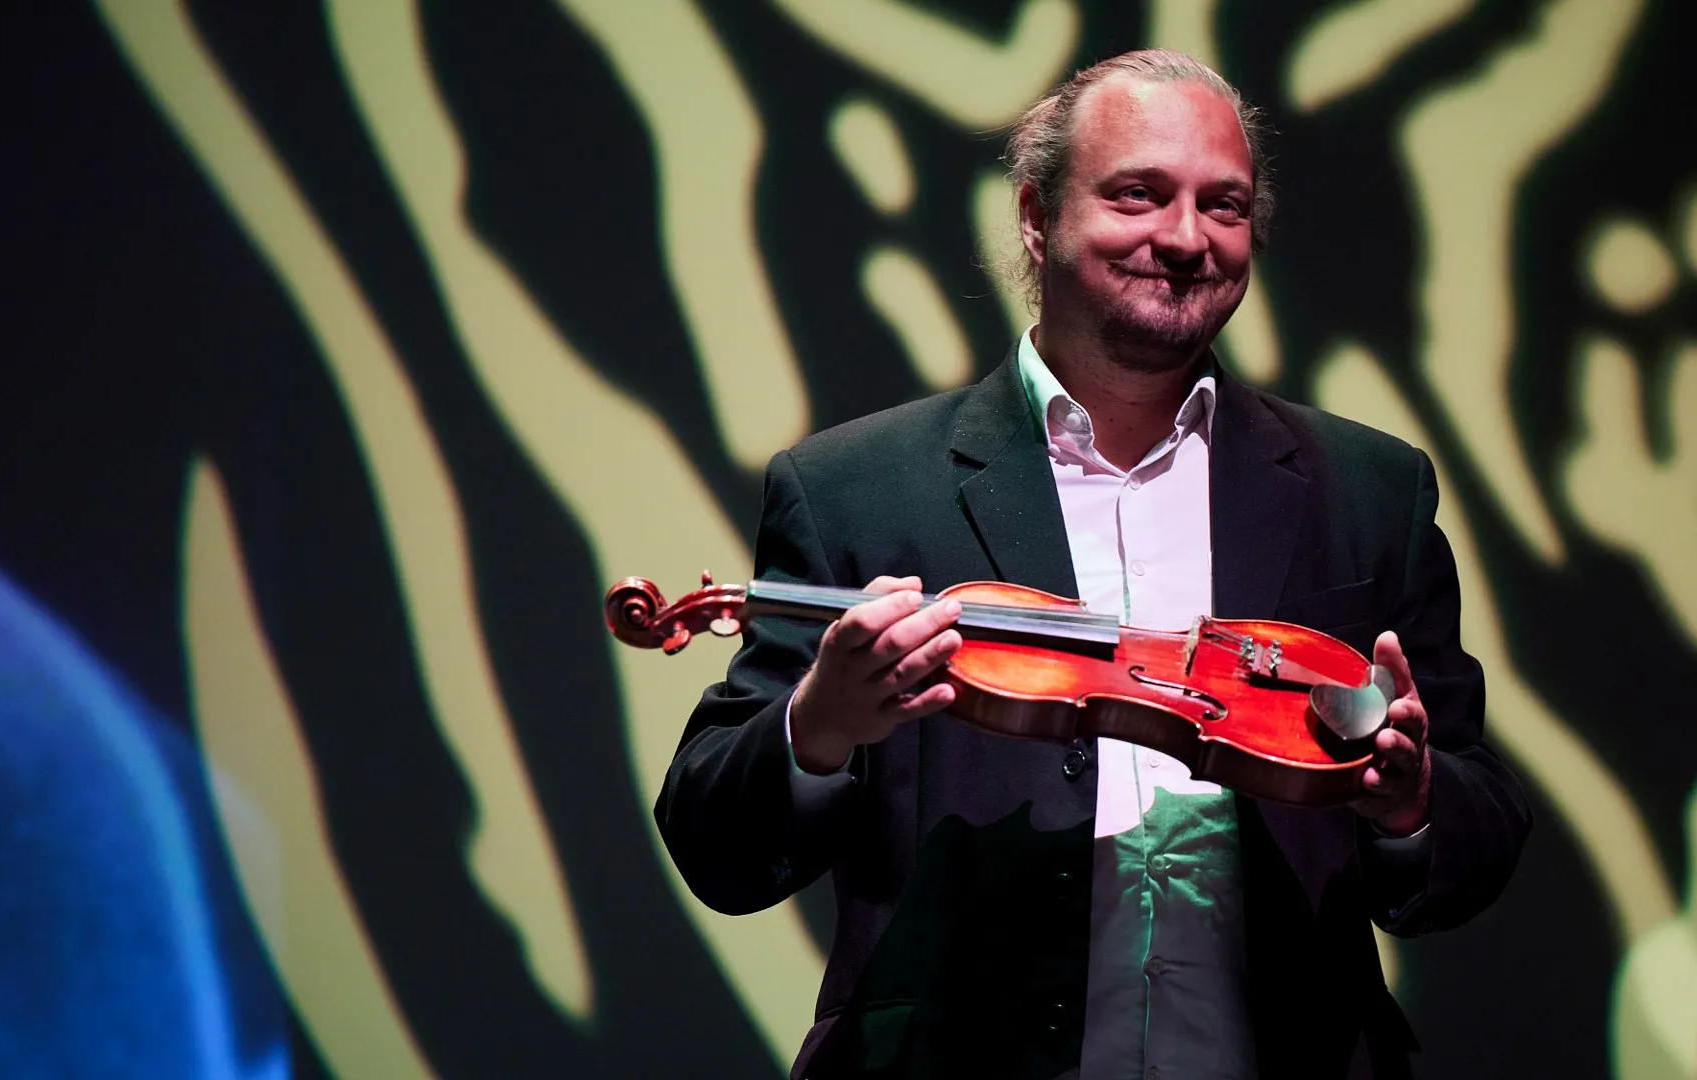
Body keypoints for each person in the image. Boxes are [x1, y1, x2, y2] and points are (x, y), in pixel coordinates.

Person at [655, 50, 1529, 1080]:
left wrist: (1410, 805)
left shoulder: (1371, 489)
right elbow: (718, 847)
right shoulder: (855, 488)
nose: (1186, 238)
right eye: (1138, 194)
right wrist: (820, 725)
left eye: (1223, 204)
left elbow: (1476, 825)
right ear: (1037, 217)